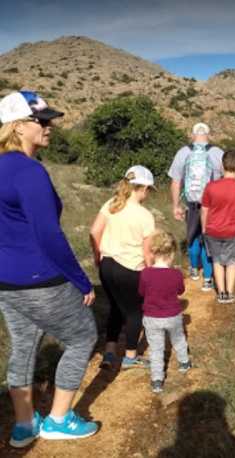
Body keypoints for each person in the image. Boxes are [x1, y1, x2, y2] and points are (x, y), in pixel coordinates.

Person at [0, 90, 98, 446]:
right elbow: (50, 236)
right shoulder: (29, 171)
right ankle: (58, 419)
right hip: (39, 278)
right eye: (41, 121)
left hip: (5, 281)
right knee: (83, 336)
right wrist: (82, 280)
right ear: (18, 126)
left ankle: (24, 426)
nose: (49, 126)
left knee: (24, 345)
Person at [89, 165, 155, 370]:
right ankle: (130, 356)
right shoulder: (145, 215)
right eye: (149, 190)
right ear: (143, 188)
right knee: (135, 312)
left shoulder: (111, 204)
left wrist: (97, 255)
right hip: (131, 269)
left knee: (116, 307)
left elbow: (93, 231)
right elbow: (147, 253)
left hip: (107, 265)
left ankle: (109, 354)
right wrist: (151, 272)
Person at [168, 122, 224, 291]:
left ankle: (194, 269)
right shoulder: (217, 153)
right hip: (212, 206)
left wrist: (176, 205)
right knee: (208, 239)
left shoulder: (183, 152)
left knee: (192, 238)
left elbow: (176, 182)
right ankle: (208, 279)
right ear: (209, 135)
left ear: (192, 135)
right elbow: (225, 180)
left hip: (192, 205)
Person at [138, 230, 191, 393]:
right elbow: (180, 291)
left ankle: (157, 380)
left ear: (153, 251)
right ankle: (184, 362)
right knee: (178, 339)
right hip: (173, 315)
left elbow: (141, 292)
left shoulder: (145, 273)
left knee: (156, 348)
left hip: (152, 317)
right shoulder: (176, 274)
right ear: (172, 253)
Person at [201, 150, 235, 303]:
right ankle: (229, 293)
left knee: (217, 261)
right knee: (231, 262)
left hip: (213, 230)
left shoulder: (210, 187)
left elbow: (204, 210)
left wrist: (204, 228)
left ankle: (221, 293)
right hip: (233, 230)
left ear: (221, 166)